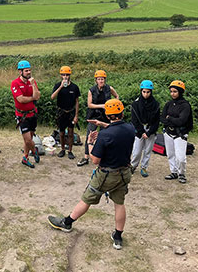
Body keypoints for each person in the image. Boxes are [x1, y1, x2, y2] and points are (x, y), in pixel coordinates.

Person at [48, 99, 135, 250]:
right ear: (121, 113)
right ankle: (118, 237)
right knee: (119, 203)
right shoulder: (130, 128)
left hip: (106, 175)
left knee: (86, 199)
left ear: (108, 116)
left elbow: (95, 160)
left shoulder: (105, 135)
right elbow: (118, 129)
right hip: (124, 173)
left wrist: (90, 142)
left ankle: (67, 223)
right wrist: (103, 125)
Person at [77, 69, 119, 167]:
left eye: (102, 79)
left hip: (106, 116)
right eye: (99, 79)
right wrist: (102, 106)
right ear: (96, 80)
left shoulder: (109, 88)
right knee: (90, 135)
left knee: (105, 136)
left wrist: (114, 105)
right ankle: (86, 157)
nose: (101, 81)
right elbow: (90, 104)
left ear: (105, 80)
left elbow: (116, 96)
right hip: (94, 115)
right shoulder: (91, 90)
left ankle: (104, 156)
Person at [160, 80, 193, 184]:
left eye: (175, 91)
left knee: (181, 158)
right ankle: (174, 172)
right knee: (170, 154)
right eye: (171, 91)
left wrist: (169, 118)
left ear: (180, 92)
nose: (172, 94)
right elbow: (162, 119)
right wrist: (172, 120)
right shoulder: (168, 104)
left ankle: (181, 173)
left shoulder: (185, 105)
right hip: (168, 133)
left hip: (180, 134)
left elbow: (182, 121)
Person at [11, 60, 41, 168]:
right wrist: (32, 98)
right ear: (20, 72)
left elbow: (37, 96)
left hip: (32, 114)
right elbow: (21, 99)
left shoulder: (32, 82)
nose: (29, 72)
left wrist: (33, 84)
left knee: (29, 138)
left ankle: (25, 157)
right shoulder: (15, 83)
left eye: (29, 70)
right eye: (26, 71)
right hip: (22, 116)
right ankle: (34, 151)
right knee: (28, 140)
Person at [130, 80, 160, 177]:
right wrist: (142, 131)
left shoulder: (156, 104)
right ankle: (133, 166)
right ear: (141, 91)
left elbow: (157, 121)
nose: (146, 94)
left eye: (148, 92)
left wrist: (149, 132)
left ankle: (144, 167)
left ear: (151, 92)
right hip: (139, 130)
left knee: (148, 150)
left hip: (151, 129)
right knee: (136, 150)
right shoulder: (135, 104)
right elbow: (134, 120)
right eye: (144, 92)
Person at [51, 66, 80, 159]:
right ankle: (62, 149)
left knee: (71, 133)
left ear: (70, 75)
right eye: (63, 75)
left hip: (71, 112)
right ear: (61, 76)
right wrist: (60, 86)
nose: (65, 77)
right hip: (61, 112)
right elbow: (52, 97)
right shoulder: (57, 85)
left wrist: (76, 115)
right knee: (62, 133)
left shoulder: (74, 87)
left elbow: (77, 101)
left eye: (67, 75)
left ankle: (70, 151)